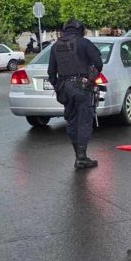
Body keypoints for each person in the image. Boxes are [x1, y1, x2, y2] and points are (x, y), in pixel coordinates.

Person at [47, 19, 104, 169]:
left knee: (72, 121)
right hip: (82, 88)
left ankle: (78, 156)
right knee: (84, 121)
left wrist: (59, 87)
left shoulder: (55, 46)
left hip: (65, 88)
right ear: (80, 29)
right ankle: (81, 158)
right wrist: (89, 79)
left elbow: (51, 72)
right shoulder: (84, 43)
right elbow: (98, 63)